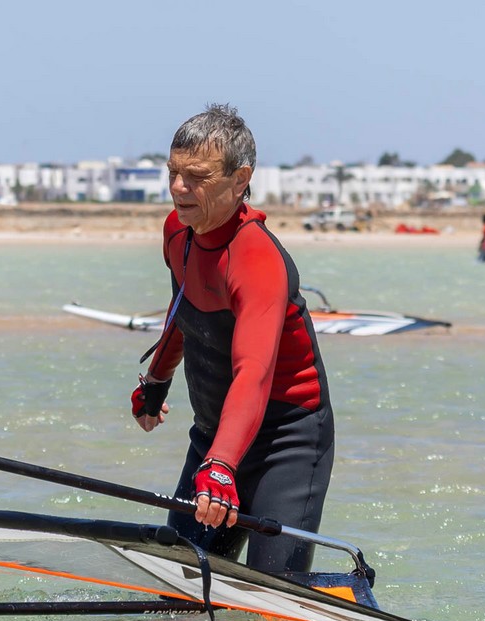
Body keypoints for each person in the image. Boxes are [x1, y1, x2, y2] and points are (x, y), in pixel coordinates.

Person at [130, 104, 335, 574]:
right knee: (178, 592)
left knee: (272, 604)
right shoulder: (177, 231)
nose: (179, 188)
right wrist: (156, 381)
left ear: (241, 179)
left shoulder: (256, 259)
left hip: (285, 446)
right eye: (173, 172)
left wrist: (222, 465)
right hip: (213, 434)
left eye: (197, 177)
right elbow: (183, 308)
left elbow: (254, 372)